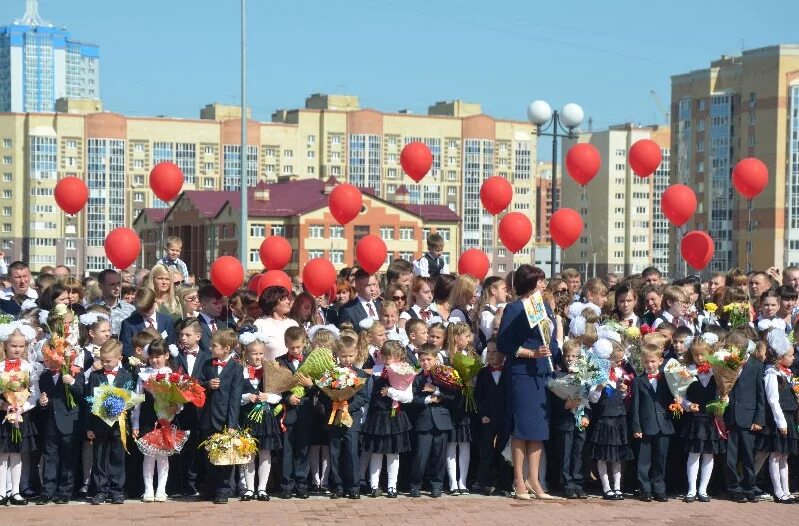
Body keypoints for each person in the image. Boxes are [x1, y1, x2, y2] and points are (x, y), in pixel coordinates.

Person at [496, 264, 560, 500]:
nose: (544, 285)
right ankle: (518, 480)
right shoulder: (514, 308)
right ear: (530, 283)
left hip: (542, 372)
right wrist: (530, 353)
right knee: (521, 429)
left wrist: (553, 350)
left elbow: (551, 338)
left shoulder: (544, 307)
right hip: (521, 373)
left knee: (538, 430)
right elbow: (503, 344)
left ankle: (535, 480)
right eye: (540, 281)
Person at [197, 329, 244, 504]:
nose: (210, 347)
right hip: (208, 416)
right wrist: (208, 384)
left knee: (224, 455)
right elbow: (198, 384)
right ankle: (210, 488)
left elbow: (235, 397)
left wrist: (232, 423)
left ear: (226, 348)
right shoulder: (208, 364)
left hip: (224, 417)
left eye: (214, 345)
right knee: (209, 454)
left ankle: (223, 490)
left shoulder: (236, 368)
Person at [361, 341, 412, 498]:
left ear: (398, 357)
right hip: (377, 416)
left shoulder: (404, 371)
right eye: (383, 356)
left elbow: (408, 397)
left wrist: (391, 392)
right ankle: (374, 485)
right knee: (376, 452)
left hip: (394, 415)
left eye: (389, 357)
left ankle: (392, 486)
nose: (385, 360)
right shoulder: (376, 370)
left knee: (393, 454)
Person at [37, 336, 84, 505]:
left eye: (50, 358)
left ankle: (65, 491)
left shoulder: (75, 372)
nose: (47, 362)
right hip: (51, 423)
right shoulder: (43, 377)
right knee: (50, 457)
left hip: (69, 421)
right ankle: (47, 490)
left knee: (68, 457)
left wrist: (72, 382)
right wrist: (42, 403)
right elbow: (44, 398)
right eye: (45, 359)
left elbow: (82, 396)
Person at [322, 335, 371, 500]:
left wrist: (348, 406)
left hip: (352, 417)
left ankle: (354, 486)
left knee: (351, 450)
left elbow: (364, 396)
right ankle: (337, 485)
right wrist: (334, 401)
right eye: (344, 356)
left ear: (356, 354)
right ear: (337, 355)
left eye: (350, 356)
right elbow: (324, 393)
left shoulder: (361, 374)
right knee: (335, 451)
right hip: (335, 415)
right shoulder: (331, 374)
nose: (347, 359)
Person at [86, 340, 134, 505]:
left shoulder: (127, 375)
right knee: (99, 457)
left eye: (108, 361)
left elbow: (130, 398)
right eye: (102, 360)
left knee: (117, 457)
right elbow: (90, 402)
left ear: (119, 358)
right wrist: (89, 427)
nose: (105, 364)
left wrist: (123, 408)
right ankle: (100, 490)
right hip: (99, 424)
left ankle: (117, 490)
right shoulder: (95, 376)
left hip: (118, 425)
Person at [238, 332, 283, 502]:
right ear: (246, 354)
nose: (257, 357)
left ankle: (262, 488)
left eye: (260, 353)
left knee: (265, 453)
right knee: (248, 452)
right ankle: (249, 488)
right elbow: (235, 394)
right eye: (254, 353)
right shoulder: (240, 371)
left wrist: (268, 397)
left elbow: (278, 395)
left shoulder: (270, 370)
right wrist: (246, 397)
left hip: (265, 417)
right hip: (248, 416)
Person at [754, 328, 797, 503]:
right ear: (780, 357)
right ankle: (778, 491)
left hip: (788, 417)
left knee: (784, 456)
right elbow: (773, 400)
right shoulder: (771, 374)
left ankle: (786, 490)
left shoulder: (786, 374)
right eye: (790, 355)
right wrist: (781, 422)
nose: (793, 358)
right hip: (778, 420)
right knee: (775, 455)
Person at [587, 339, 633, 501]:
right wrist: (599, 387)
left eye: (621, 360)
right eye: (617, 360)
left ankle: (617, 487)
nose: (620, 363)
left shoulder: (620, 373)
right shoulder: (598, 373)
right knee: (603, 455)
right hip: (604, 419)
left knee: (617, 456)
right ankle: (606, 487)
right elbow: (592, 398)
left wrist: (623, 391)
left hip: (619, 418)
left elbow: (622, 396)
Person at [130, 339, 175, 502]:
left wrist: (176, 407)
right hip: (147, 418)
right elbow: (137, 401)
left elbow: (180, 399)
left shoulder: (172, 375)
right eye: (152, 357)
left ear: (166, 356)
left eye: (159, 356)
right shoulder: (143, 376)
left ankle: (161, 489)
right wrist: (135, 424)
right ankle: (148, 489)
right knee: (148, 455)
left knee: (163, 455)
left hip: (166, 418)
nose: (155, 360)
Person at [0, 322, 39, 506]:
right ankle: (2, 491)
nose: (17, 349)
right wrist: (4, 404)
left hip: (21, 415)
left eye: (21, 346)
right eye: (13, 345)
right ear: (5, 345)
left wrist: (21, 408)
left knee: (17, 454)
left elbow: (34, 394)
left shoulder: (28, 367)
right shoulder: (0, 367)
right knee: (2, 455)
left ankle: (15, 491)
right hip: (3, 416)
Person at [409, 343, 455, 498]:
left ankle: (437, 485)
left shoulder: (445, 375)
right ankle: (415, 485)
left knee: (439, 456)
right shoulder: (417, 378)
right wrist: (428, 399)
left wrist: (436, 390)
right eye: (422, 360)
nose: (426, 363)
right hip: (424, 421)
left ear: (436, 359)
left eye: (429, 359)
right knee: (421, 456)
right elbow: (411, 400)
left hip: (442, 421)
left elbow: (453, 397)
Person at [681, 339, 724, 503]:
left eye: (702, 354)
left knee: (708, 455)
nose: (699, 357)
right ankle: (691, 489)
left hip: (711, 417)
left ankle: (703, 490)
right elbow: (681, 394)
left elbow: (721, 392)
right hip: (695, 418)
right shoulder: (687, 371)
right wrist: (688, 404)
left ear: (710, 354)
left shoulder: (716, 371)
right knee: (694, 453)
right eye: (696, 354)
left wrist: (722, 399)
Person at [630, 346, 675, 502]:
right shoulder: (638, 381)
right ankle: (645, 488)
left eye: (653, 361)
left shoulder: (668, 379)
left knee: (660, 459)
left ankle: (659, 488)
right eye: (646, 362)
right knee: (644, 460)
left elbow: (674, 397)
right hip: (645, 425)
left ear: (660, 361)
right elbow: (634, 406)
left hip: (664, 424)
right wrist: (636, 426)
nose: (649, 365)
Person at [724, 339, 766, 503]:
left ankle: (749, 487)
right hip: (731, 416)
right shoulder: (728, 363)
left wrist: (759, 418)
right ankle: (734, 488)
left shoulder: (756, 365)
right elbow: (723, 387)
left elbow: (760, 394)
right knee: (730, 457)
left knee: (749, 455)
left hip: (748, 417)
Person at [548, 340, 588, 499]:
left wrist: (586, 414)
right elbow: (554, 396)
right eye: (568, 355)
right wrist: (565, 404)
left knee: (579, 452)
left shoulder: (584, 374)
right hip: (565, 420)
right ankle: (566, 483)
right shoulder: (558, 375)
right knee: (565, 452)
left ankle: (578, 483)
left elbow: (588, 397)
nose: (570, 358)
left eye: (574, 356)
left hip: (580, 421)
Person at [172, 318, 206, 497]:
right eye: (181, 335)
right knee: (182, 448)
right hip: (181, 410)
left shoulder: (207, 357)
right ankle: (183, 484)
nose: (183, 338)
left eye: (188, 335)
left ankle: (198, 483)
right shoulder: (176, 356)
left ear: (198, 336)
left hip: (201, 411)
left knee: (198, 447)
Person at [475, 339, 509, 497]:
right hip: (488, 418)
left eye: (494, 351)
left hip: (504, 417)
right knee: (486, 450)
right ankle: (485, 482)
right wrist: (483, 414)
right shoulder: (482, 373)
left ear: (503, 354)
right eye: (488, 352)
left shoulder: (509, 372)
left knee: (503, 450)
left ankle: (505, 482)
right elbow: (479, 397)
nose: (490, 355)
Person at [444, 322, 475, 495]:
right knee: (451, 444)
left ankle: (462, 481)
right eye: (466, 336)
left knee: (464, 444)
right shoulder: (446, 356)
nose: (469, 340)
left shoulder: (470, 354)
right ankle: (452, 482)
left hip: (465, 404)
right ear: (457, 337)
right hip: (450, 405)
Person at [119, 288, 176, 359]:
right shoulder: (128, 324)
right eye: (141, 310)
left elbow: (171, 345)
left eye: (148, 309)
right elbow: (126, 350)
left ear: (155, 302)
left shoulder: (167, 321)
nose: (145, 313)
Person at [254, 286, 299, 360]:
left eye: (287, 298)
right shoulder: (260, 324)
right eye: (284, 299)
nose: (288, 301)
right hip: (270, 370)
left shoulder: (293, 324)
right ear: (273, 302)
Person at [95, 270, 136, 337]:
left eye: (118, 283)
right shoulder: (92, 310)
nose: (117, 288)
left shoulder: (131, 310)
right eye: (112, 284)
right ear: (101, 286)